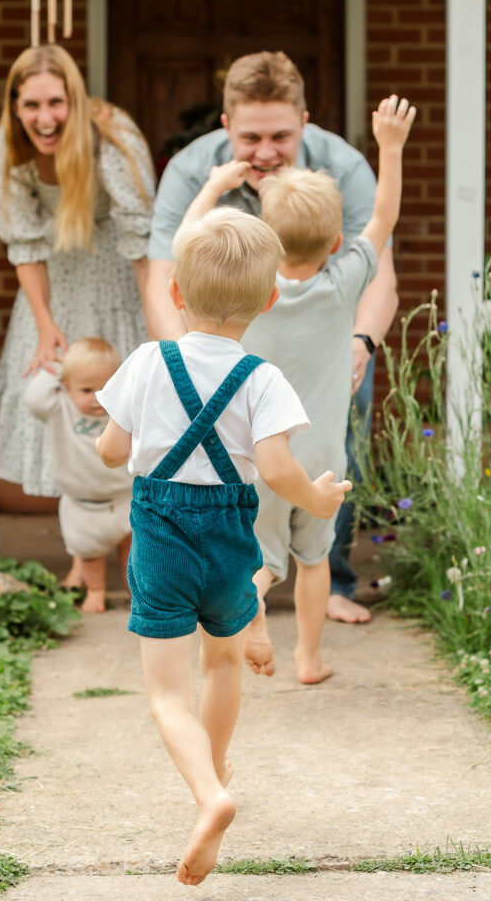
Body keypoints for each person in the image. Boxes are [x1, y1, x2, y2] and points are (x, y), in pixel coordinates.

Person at [95, 205, 350, 886]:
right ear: (267, 300)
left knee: (166, 695)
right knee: (225, 666)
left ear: (174, 290)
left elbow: (112, 449)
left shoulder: (149, 362)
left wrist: (114, 440)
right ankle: (217, 765)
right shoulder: (262, 378)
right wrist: (317, 500)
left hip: (163, 540)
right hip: (230, 540)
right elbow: (274, 470)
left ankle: (209, 793)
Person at [144, 50, 398, 624]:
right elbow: (163, 276)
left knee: (341, 413)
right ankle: (239, 568)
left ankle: (329, 578)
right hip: (229, 345)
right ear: (226, 125)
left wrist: (361, 346)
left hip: (325, 343)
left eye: (280, 136)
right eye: (251, 136)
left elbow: (382, 279)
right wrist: (185, 366)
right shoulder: (191, 170)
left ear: (305, 121)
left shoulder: (343, 167)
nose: (265, 152)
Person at [184, 95, 415, 682]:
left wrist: (213, 188)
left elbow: (188, 243)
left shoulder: (254, 286)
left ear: (265, 237)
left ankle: (255, 600)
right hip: (320, 457)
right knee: (313, 559)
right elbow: (383, 218)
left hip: (258, 456)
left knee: (258, 556)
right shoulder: (344, 282)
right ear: (337, 241)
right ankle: (308, 658)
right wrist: (390, 147)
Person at [0, 44, 155, 512]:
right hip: (52, 281)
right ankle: (78, 539)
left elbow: (141, 240)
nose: (44, 118)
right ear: (15, 106)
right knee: (47, 391)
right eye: (31, 105)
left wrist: (156, 325)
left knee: (119, 392)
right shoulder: (8, 146)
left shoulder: (112, 137)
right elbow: (24, 244)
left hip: (114, 271)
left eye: (55, 103)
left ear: (74, 101)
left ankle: (128, 533)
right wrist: (44, 322)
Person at [24, 337, 131, 613]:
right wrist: (58, 369)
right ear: (66, 386)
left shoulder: (122, 408)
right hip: (83, 503)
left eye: (106, 388)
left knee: (133, 550)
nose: (98, 398)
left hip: (124, 496)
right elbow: (33, 399)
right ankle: (96, 591)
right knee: (89, 553)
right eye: (86, 389)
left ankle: (137, 592)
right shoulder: (60, 407)